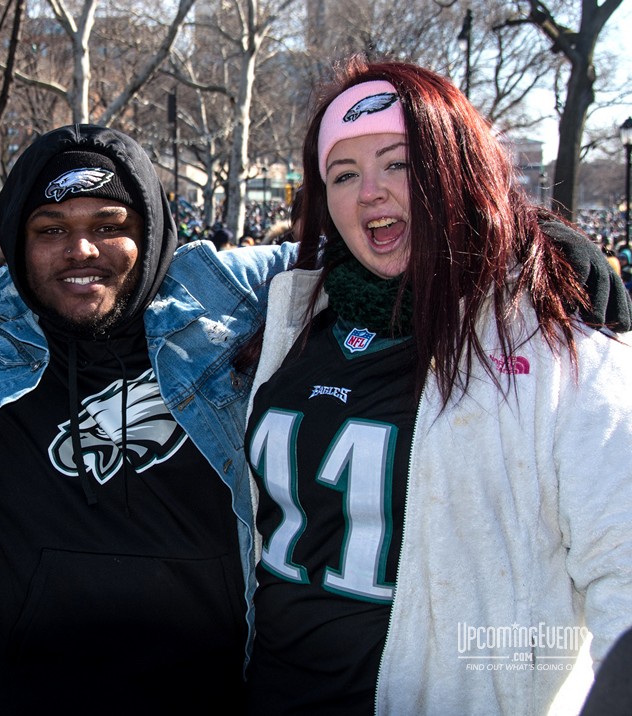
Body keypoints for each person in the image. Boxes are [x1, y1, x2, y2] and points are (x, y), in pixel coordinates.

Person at [0, 126, 631, 713]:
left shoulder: (218, 296)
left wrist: (523, 236)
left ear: (150, 231)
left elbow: (357, 242)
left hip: (217, 693)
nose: (80, 250)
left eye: (108, 226)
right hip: (18, 696)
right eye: (50, 230)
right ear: (16, 242)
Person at [242, 57, 632, 714]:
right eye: (344, 174)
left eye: (398, 163)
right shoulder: (288, 320)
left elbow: (621, 573)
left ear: (457, 169)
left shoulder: (561, 351)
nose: (370, 191)